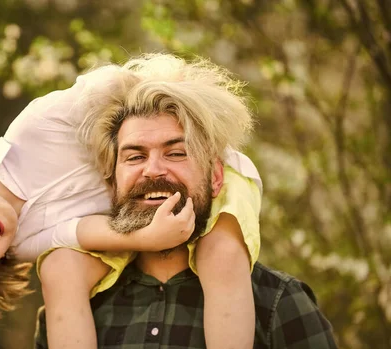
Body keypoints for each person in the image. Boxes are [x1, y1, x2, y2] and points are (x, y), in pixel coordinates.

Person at [0, 54, 261, 348]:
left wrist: (143, 121)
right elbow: (81, 231)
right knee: (59, 269)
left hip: (198, 176)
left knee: (220, 253)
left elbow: (108, 83)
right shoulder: (21, 243)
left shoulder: (31, 134)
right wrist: (148, 238)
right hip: (133, 217)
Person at [34, 73, 338, 348]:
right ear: (112, 183)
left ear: (216, 177)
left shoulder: (277, 302)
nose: (153, 170)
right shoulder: (76, 310)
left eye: (176, 153)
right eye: (135, 156)